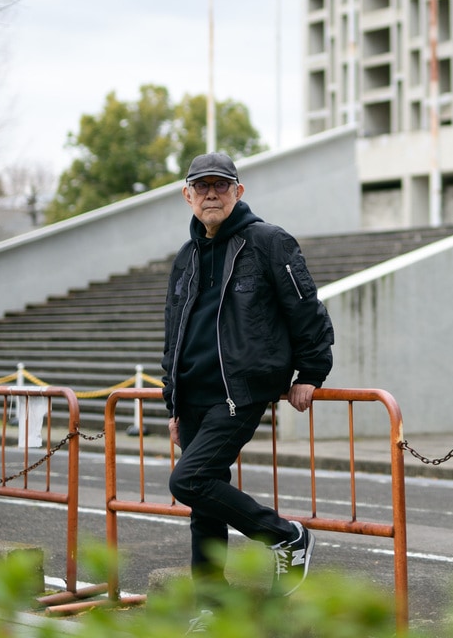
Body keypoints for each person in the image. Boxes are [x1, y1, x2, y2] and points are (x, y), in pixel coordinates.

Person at [162, 151, 335, 598]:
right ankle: (210, 605)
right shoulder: (185, 257)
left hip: (239, 392)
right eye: (202, 186)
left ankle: (285, 536)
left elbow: (307, 310)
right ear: (187, 196)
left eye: (221, 185)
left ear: (238, 192)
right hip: (193, 396)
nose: (212, 194)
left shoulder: (268, 242)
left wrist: (311, 372)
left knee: (188, 481)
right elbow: (174, 333)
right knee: (204, 503)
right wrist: (173, 403)